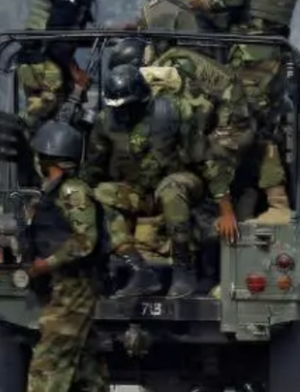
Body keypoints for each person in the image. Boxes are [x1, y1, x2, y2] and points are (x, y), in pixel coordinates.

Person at [0, 120, 126, 392]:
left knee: (48, 357)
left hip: (74, 286)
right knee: (83, 362)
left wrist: (44, 265)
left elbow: (85, 242)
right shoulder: (52, 192)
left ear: (47, 156)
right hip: (63, 286)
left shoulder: (72, 192)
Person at [187, 0, 300, 224]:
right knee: (262, 129)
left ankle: (230, 201)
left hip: (249, 51)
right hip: (277, 51)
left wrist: (203, 3)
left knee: (233, 127)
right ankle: (272, 200)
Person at [83, 64, 214, 298]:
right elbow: (94, 167)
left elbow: (202, 158)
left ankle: (184, 269)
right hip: (138, 192)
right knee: (99, 194)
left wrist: (220, 201)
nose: (122, 113)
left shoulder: (174, 111)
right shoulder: (106, 121)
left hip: (180, 185)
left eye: (128, 107)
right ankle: (139, 271)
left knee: (171, 188)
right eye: (118, 108)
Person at [18, 0, 136, 133]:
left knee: (73, 107)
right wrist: (75, 73)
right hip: (40, 60)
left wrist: (114, 31)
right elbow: (58, 36)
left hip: (48, 59)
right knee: (50, 115)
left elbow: (72, 36)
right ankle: (25, 131)